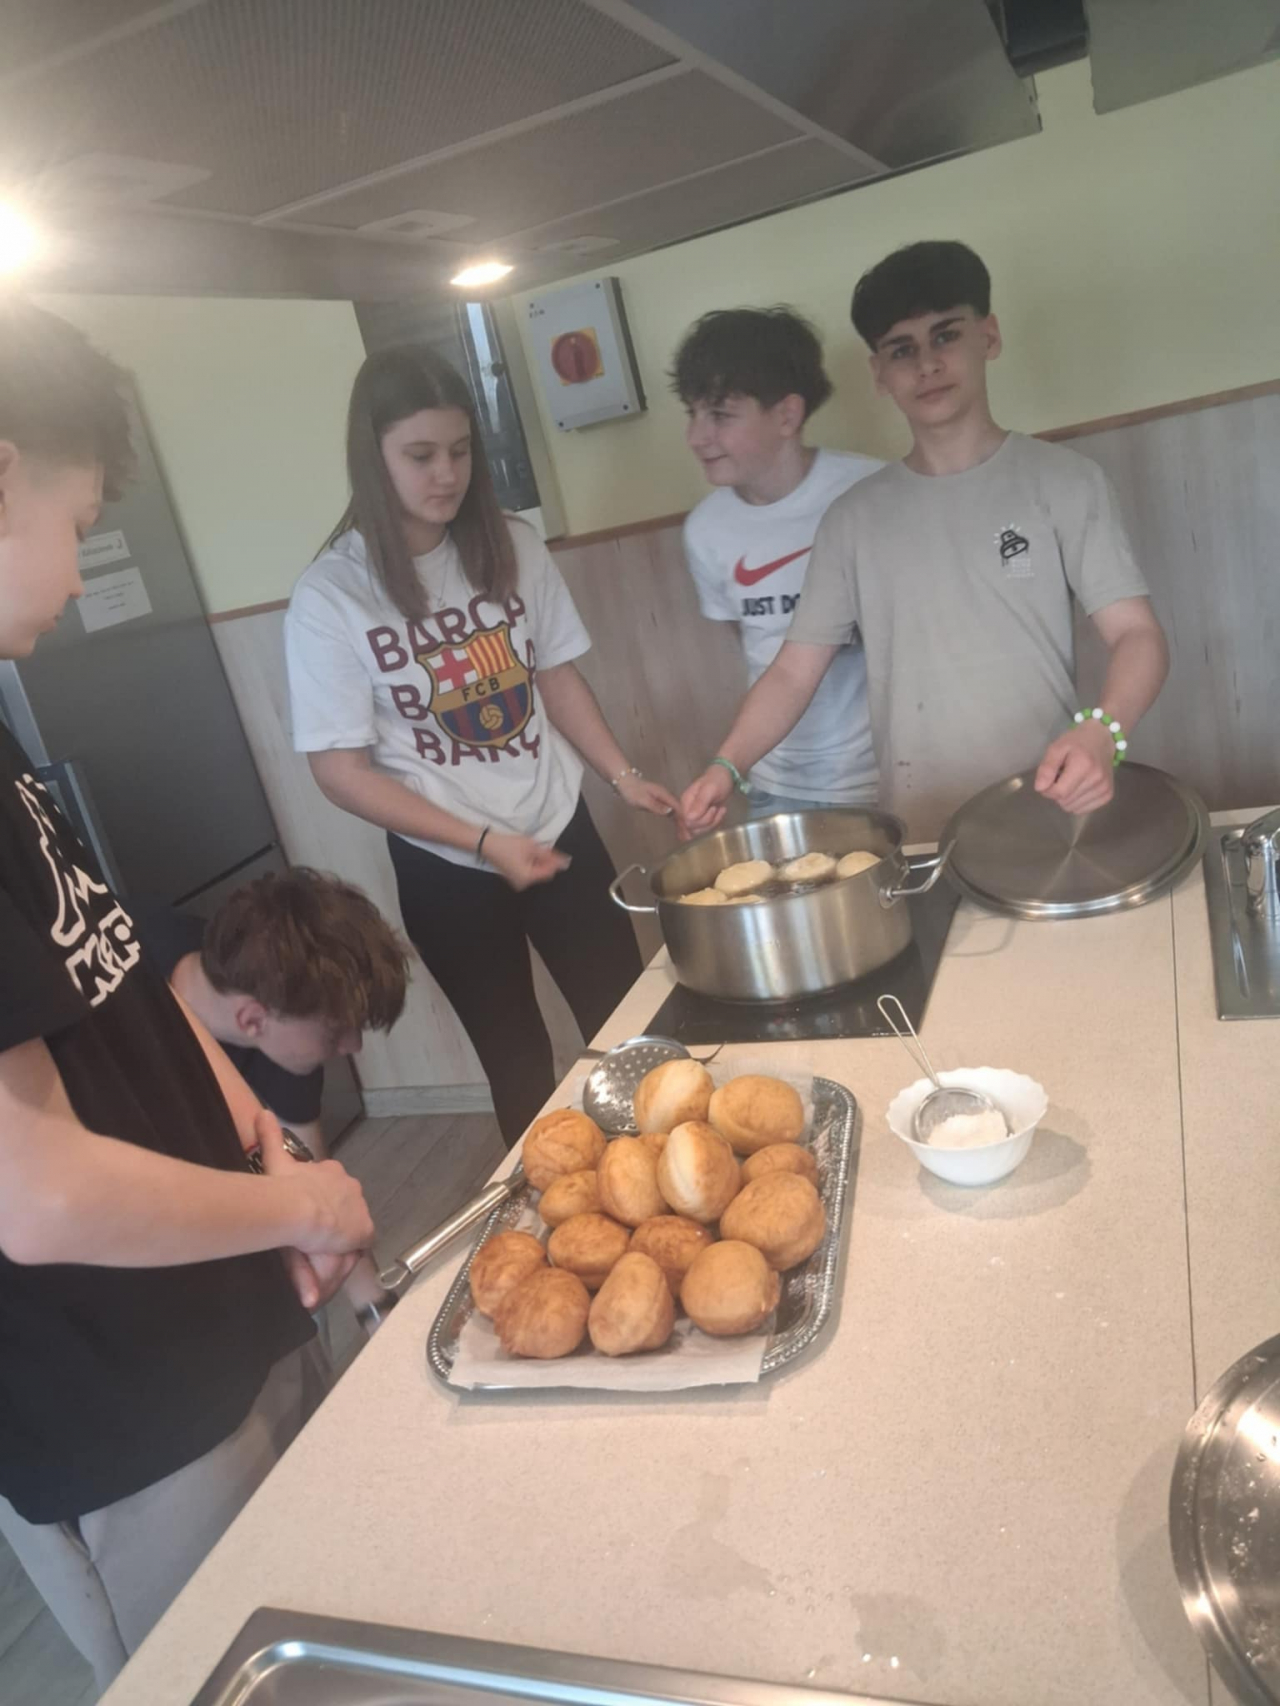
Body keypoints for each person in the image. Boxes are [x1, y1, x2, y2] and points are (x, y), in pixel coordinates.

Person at [0, 299, 375, 1696]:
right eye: (78, 521)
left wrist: (269, 1145)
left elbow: (123, 980)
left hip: (220, 1309)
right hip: (121, 1413)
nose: (77, 572)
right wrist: (295, 1207)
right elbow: (34, 1193)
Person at [285, 345, 679, 1149]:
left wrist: (623, 776)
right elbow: (339, 772)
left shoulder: (513, 544)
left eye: (460, 451)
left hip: (557, 829)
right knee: (518, 1061)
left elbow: (554, 676)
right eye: (420, 455)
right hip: (448, 867)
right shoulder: (332, 594)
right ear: (373, 458)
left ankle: (667, 1175)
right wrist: (482, 841)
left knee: (629, 1029)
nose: (447, 474)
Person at [680, 242, 1170, 840]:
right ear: (879, 374)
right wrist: (726, 766)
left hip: (1050, 803)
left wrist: (1103, 731)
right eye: (902, 350)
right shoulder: (853, 519)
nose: (928, 365)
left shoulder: (1065, 481)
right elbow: (792, 673)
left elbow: (1137, 635)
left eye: (946, 336)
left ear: (989, 336)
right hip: (920, 828)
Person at [673, 306, 882, 815]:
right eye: (692, 413)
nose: (697, 436)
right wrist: (728, 766)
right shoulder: (705, 529)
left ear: (787, 415)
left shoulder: (871, 491)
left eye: (720, 414)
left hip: (891, 772)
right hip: (778, 781)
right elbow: (760, 647)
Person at [134, 865, 410, 1164]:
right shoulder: (125, 1018)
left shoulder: (280, 1014)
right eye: (335, 1032)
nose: (354, 1045)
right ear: (252, 1020)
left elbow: (307, 1170)